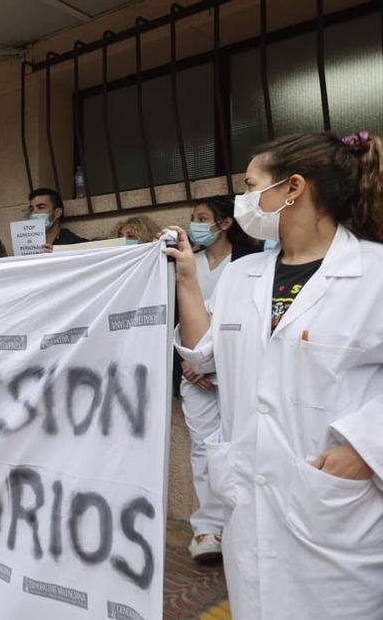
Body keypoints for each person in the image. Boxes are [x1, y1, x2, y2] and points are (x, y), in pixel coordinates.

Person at [168, 131, 383, 619]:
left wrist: (365, 452)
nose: (244, 201)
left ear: (292, 188)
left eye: (250, 185)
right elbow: (206, 353)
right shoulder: (245, 274)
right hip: (251, 504)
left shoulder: (374, 273)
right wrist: (185, 278)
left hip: (337, 511)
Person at [175, 195, 261, 562]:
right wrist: (190, 362)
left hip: (236, 368)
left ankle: (243, 526)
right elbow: (175, 317)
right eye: (192, 218)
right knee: (203, 449)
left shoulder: (249, 264)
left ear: (225, 223)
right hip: (194, 374)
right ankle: (207, 529)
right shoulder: (184, 263)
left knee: (242, 444)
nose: (196, 224)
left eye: (203, 218)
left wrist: (216, 362)